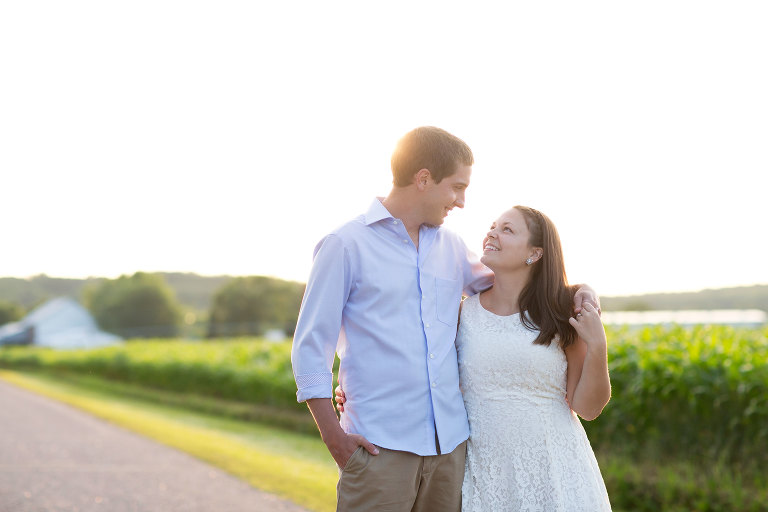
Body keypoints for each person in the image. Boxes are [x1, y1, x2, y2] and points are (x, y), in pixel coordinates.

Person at [291, 126, 600, 512]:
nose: (462, 201)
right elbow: (309, 350)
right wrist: (334, 438)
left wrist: (579, 291)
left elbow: (516, 284)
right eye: (457, 187)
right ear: (423, 179)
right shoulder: (344, 245)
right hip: (379, 446)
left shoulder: (452, 247)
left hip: (450, 453)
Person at [458, 206, 611, 511]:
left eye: (507, 229)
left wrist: (598, 346)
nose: (492, 233)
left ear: (535, 253)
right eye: (492, 226)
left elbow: (588, 407)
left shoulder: (561, 313)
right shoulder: (463, 313)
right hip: (485, 474)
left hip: (554, 470)